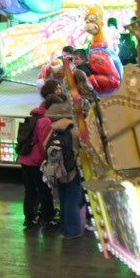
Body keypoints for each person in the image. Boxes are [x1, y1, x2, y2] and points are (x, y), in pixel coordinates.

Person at [16, 82, 60, 232]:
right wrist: (48, 162)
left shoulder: (35, 115)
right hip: (36, 161)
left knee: (30, 190)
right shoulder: (45, 121)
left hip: (25, 159)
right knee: (44, 190)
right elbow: (44, 144)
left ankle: (30, 218)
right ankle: (47, 218)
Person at [42, 102, 85, 239]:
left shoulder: (54, 128)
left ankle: (65, 229)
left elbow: (45, 146)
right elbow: (84, 147)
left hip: (59, 170)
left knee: (63, 200)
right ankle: (73, 231)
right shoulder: (75, 129)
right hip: (72, 169)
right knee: (73, 200)